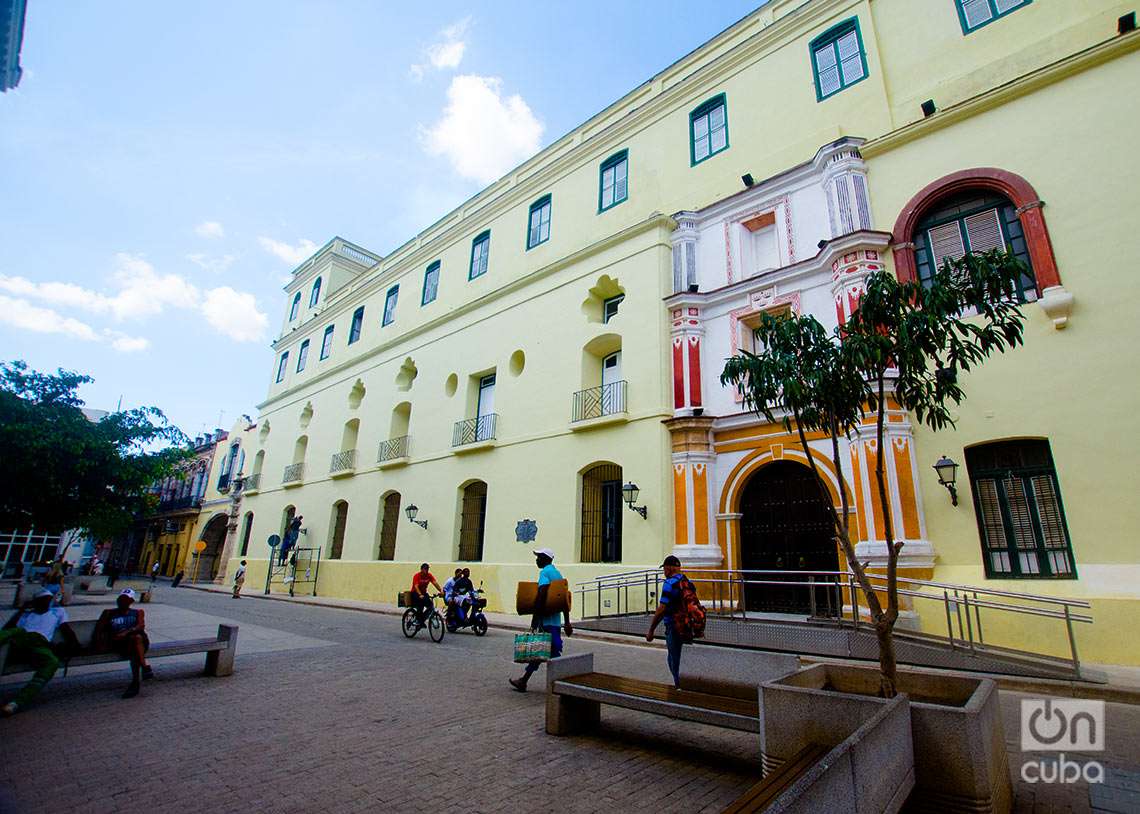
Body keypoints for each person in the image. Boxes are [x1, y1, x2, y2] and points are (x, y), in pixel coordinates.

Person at [0, 589, 78, 716]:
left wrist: (73, 645)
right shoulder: (26, 615)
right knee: (14, 632)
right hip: (21, 640)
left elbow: (66, 629)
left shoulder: (57, 612)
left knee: (52, 662)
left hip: (40, 644)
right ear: (35, 602)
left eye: (48, 600)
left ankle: (17, 702)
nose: (46, 603)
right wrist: (21, 611)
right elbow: (7, 629)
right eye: (42, 600)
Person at [510, 549, 573, 692]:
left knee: (548, 651)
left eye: (538, 557)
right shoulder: (557, 574)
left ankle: (562, 684)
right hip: (555, 622)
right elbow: (563, 600)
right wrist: (567, 622)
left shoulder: (544, 573)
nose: (536, 560)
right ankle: (524, 680)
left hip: (546, 622)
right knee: (543, 651)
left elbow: (542, 592)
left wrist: (535, 617)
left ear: (545, 559)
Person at [94, 588, 153, 699]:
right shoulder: (109, 613)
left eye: (126, 600)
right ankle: (144, 668)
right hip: (119, 644)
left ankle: (136, 683)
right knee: (135, 647)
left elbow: (140, 626)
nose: (122, 602)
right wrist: (99, 643)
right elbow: (99, 630)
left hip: (137, 642)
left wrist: (126, 632)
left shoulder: (137, 612)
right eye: (121, 599)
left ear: (131, 602)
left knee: (136, 640)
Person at [646, 555, 686, 689]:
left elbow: (662, 608)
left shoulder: (669, 584)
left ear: (669, 568)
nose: (664, 571)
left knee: (674, 659)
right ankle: (681, 684)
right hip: (685, 624)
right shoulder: (686, 581)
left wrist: (651, 630)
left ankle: (679, 687)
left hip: (673, 625)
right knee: (679, 656)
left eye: (664, 568)